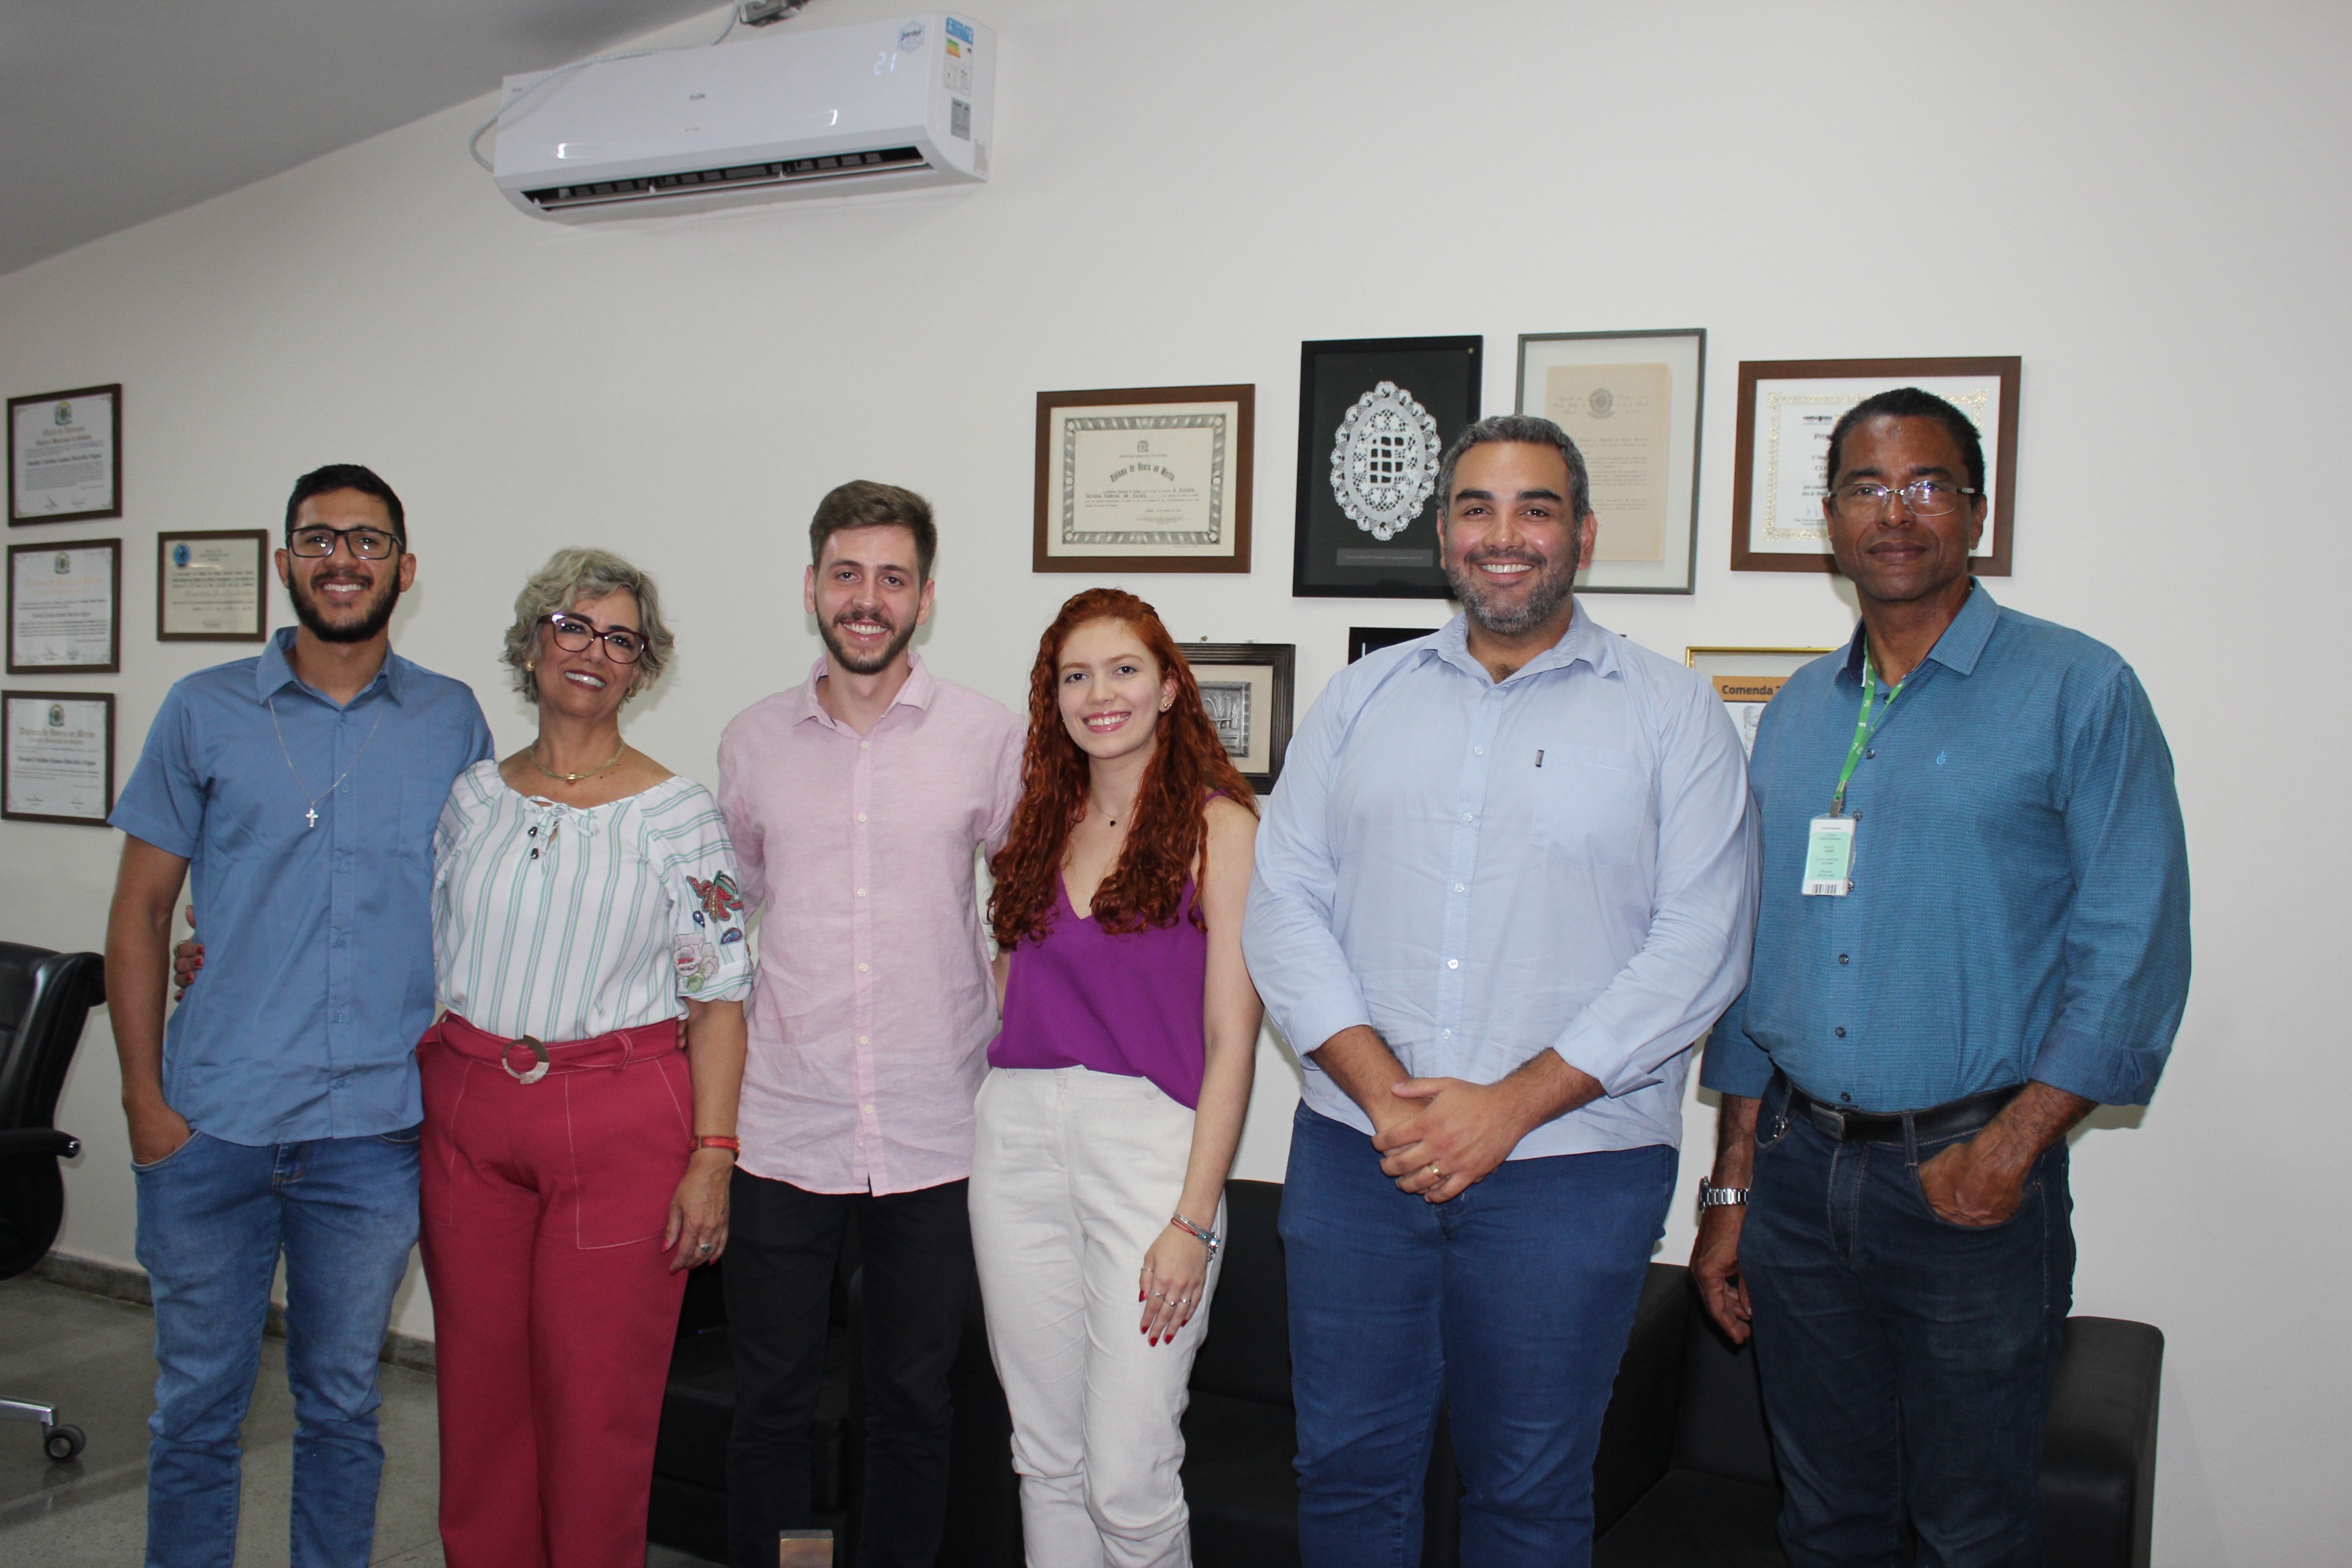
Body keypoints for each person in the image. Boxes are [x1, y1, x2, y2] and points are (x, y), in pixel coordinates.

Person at [1243, 414, 1759, 1567]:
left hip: (1571, 1173)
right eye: (1477, 507)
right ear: (1442, 535)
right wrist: (1386, 1093)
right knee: (1344, 1475)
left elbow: (1702, 945)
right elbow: (1282, 908)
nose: (1504, 535)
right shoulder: (1360, 701)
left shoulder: (1672, 715)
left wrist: (1506, 1107)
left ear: (1582, 532)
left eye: (1535, 508)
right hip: (1356, 1155)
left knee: (1528, 1492)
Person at [1690, 388, 2191, 1568]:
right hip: (1802, 1186)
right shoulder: (1802, 711)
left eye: (1926, 485)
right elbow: (1762, 953)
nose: (1896, 512)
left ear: (1977, 510)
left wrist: (2013, 1148)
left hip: (1972, 1187)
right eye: (1867, 487)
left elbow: (2136, 939)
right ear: (1829, 521)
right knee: (1825, 1521)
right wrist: (1731, 1193)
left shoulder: (2079, 689)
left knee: (1972, 1532)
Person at [104, 464, 494, 1568]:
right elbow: (139, 911)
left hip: (370, 1133)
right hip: (211, 1122)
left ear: (404, 571)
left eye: (368, 542)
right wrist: (144, 1101)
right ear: (285, 563)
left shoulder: (449, 716)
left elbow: (488, 897)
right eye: (319, 540)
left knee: (339, 1408)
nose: (343, 560)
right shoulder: (204, 710)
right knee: (194, 1413)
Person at [416, 548, 750, 1567]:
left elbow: (722, 992)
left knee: (593, 1403)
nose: (593, 652)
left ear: (643, 670)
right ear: (532, 642)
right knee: (477, 1396)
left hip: (617, 1120)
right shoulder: (471, 799)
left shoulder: (679, 814)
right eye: (573, 627)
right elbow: (420, 940)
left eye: (621, 639)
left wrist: (712, 1155)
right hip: (470, 1113)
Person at [716, 481, 1024, 1567]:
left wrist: (991, 1008)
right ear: (811, 586)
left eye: (892, 578)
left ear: (925, 599)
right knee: (774, 1408)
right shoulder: (750, 742)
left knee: (913, 1404)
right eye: (846, 574)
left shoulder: (989, 737)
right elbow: (735, 913)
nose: (867, 598)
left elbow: (1028, 908)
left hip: (935, 1126)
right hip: (784, 1126)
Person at [973, 589, 1262, 1566]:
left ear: (1172, 686)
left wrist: (1193, 1217)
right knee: (1044, 1460)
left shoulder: (1222, 830)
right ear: (1051, 698)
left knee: (1129, 1477)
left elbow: (1233, 1040)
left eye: (1125, 669)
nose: (1102, 694)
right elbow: (999, 998)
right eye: (1075, 676)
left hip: (1149, 1157)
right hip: (1013, 1140)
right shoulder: (1035, 826)